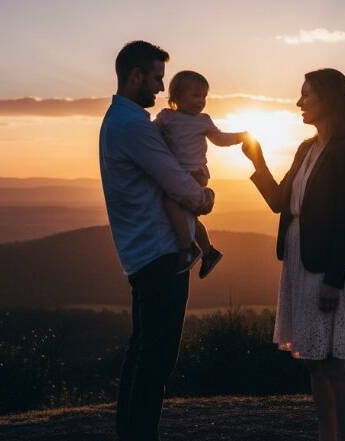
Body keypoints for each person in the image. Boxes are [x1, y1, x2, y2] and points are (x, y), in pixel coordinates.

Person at [99, 40, 215, 441]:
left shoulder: (119, 120)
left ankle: (130, 432)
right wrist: (205, 198)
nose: (160, 89)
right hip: (159, 253)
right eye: (155, 79)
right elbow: (174, 178)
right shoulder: (133, 126)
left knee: (142, 350)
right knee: (158, 358)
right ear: (135, 76)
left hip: (142, 253)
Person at [241, 68, 345, 441]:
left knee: (333, 365)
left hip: (325, 265)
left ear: (329, 99)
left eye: (306, 95)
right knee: (314, 362)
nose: (299, 102)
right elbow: (281, 201)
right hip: (297, 260)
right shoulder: (306, 148)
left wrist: (333, 279)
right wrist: (258, 162)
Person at [154, 70, 248, 278]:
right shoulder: (166, 117)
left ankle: (187, 248)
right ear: (176, 96)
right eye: (195, 95)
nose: (201, 101)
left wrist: (241, 136)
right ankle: (208, 251)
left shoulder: (203, 120)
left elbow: (220, 139)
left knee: (171, 203)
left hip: (195, 174)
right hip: (178, 173)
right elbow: (151, 136)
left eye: (204, 96)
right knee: (188, 218)